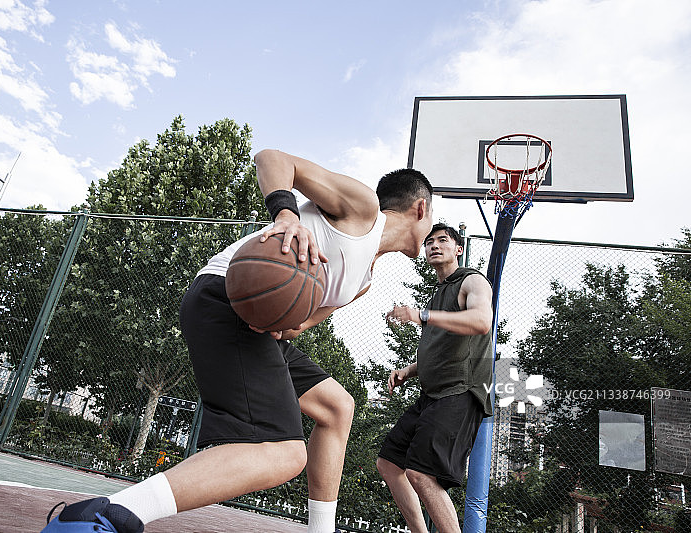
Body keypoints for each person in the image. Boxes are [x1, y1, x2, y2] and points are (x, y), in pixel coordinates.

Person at [41, 149, 434, 533]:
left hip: (256, 328)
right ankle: (112, 514)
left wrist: (291, 320)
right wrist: (286, 215)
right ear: (420, 208)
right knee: (283, 453)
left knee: (337, 407)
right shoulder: (362, 209)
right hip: (225, 297)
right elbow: (274, 159)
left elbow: (296, 325)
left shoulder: (363, 281)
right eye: (433, 218)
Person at [376, 223, 494, 533]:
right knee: (389, 463)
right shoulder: (438, 293)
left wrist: (421, 315)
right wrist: (409, 370)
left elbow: (481, 321)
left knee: (421, 473)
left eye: (442, 240)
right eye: (429, 242)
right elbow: (440, 348)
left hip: (461, 392)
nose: (434, 246)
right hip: (432, 395)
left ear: (459, 249)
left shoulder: (472, 281)